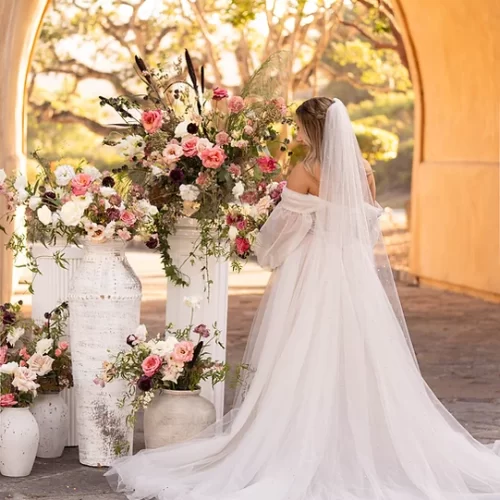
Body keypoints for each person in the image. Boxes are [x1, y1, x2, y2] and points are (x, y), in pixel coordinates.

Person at [106, 97, 500, 500]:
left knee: (303, 350)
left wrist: (265, 250)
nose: (294, 134)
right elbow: (365, 230)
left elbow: (285, 231)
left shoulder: (306, 170)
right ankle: (357, 441)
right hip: (353, 273)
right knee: (359, 355)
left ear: (313, 130)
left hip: (313, 271)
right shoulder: (363, 171)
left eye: (298, 127)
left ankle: (301, 438)